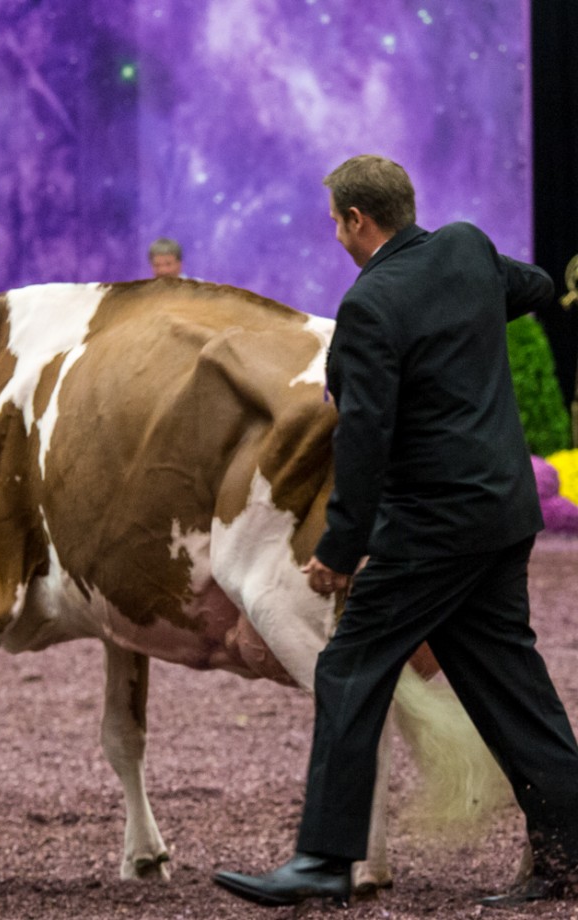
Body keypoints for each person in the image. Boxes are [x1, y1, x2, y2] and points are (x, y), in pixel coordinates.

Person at [212, 154, 578, 909]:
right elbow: (537, 287)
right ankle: (569, 856)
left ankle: (323, 860)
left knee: (348, 671)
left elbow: (364, 439)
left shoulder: (371, 306)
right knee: (513, 689)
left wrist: (338, 551)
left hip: (432, 529)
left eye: (337, 224)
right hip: (505, 517)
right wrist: (479, 308)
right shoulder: (469, 249)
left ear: (356, 220)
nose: (338, 237)